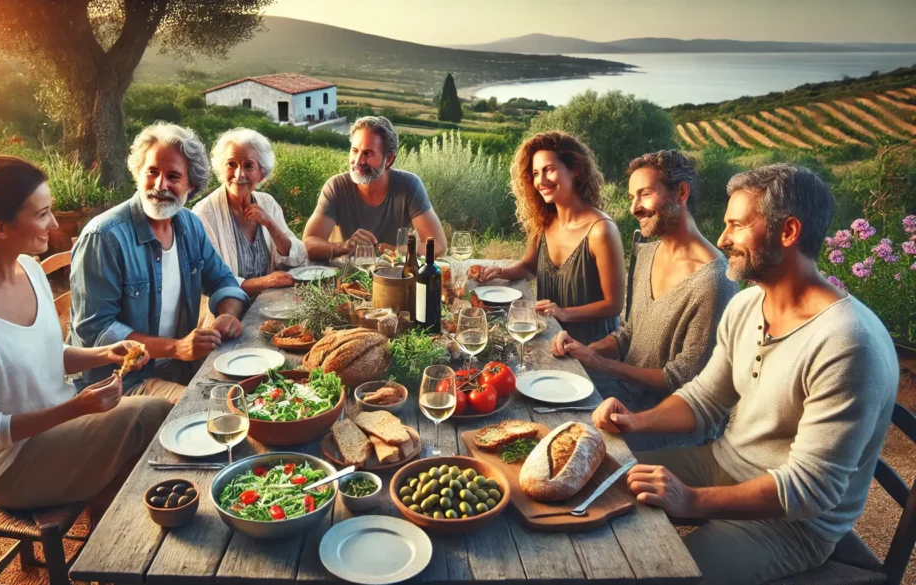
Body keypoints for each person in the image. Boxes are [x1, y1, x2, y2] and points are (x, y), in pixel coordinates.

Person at [591, 164, 898, 585]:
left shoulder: (848, 343)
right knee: (597, 481)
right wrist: (635, 420)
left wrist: (691, 501)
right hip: (721, 462)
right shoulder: (747, 304)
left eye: (736, 225)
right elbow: (705, 398)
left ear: (788, 232)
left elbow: (811, 490)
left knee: (656, 574)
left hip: (793, 524)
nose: (722, 240)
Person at [0, 154, 171, 515]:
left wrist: (105, 354)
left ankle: (113, 531)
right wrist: (76, 407)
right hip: (9, 466)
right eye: (41, 214)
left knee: (161, 420)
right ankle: (112, 548)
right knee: (153, 416)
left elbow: (47, 353)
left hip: (63, 424)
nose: (53, 223)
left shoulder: (29, 269)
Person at [70, 122, 251, 402]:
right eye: (152, 172)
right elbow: (96, 332)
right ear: (138, 174)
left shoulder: (189, 224)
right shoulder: (104, 237)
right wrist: (176, 348)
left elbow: (223, 281)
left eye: (173, 176)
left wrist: (228, 314)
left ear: (192, 186)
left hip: (180, 369)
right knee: (214, 411)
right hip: (122, 381)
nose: (160, 185)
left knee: (255, 386)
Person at [552, 150, 737, 414]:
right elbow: (628, 334)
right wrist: (585, 351)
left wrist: (601, 364)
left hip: (661, 418)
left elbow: (682, 380)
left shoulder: (715, 281)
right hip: (618, 393)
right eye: (632, 197)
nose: (634, 207)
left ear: (681, 193)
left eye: (645, 194)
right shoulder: (646, 253)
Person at [469, 131, 625, 345]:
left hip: (592, 349)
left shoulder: (601, 230)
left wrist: (563, 312)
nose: (541, 181)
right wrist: (500, 271)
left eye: (549, 170)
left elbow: (613, 304)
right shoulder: (543, 221)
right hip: (548, 336)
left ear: (575, 169)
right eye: (535, 173)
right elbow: (529, 267)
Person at [302, 116, 447, 260]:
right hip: (346, 279)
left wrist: (395, 251)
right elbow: (308, 244)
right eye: (354, 150)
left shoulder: (408, 186)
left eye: (368, 153)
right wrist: (344, 246)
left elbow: (438, 245)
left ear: (389, 159)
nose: (358, 161)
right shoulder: (336, 187)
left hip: (393, 278)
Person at [192, 128, 305, 296]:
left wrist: (270, 224)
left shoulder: (267, 202)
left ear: (261, 173)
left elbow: (298, 257)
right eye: (231, 164)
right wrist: (265, 282)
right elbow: (212, 279)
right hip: (226, 314)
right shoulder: (204, 213)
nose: (239, 174)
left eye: (248, 165)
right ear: (221, 169)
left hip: (270, 304)